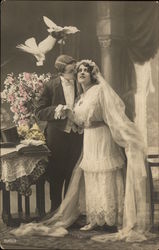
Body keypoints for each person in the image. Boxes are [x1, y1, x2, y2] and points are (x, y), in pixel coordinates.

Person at [11, 60, 152, 242]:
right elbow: (78, 120)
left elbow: (111, 115)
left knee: (105, 172)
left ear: (93, 75)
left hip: (102, 137)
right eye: (79, 71)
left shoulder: (100, 90)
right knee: (90, 175)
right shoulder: (81, 96)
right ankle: (95, 218)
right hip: (88, 139)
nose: (82, 73)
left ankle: (111, 217)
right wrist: (69, 114)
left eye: (86, 70)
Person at [35, 54, 83, 212]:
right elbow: (39, 112)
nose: (75, 74)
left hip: (77, 135)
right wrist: (57, 109)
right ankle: (55, 211)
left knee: (73, 173)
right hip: (56, 136)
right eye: (71, 71)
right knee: (56, 173)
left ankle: (69, 212)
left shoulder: (81, 84)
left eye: (75, 70)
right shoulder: (50, 86)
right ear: (61, 72)